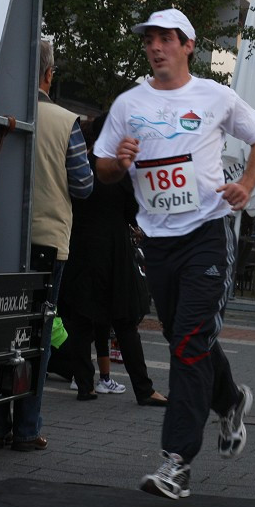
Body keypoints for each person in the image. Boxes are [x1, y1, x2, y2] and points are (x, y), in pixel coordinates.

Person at [94, 8, 255, 499]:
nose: (156, 47)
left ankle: (176, 462)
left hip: (207, 232)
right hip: (157, 240)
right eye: (150, 39)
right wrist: (119, 163)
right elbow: (103, 168)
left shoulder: (215, 96)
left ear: (188, 44)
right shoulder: (129, 103)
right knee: (183, 337)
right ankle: (232, 399)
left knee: (189, 343)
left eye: (166, 39)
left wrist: (246, 184)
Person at [0, 40, 94, 451]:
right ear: (49, 74)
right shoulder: (67, 122)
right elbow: (83, 186)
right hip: (47, 241)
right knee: (37, 334)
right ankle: (27, 429)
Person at [59, 114, 168, 405]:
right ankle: (144, 389)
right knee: (124, 323)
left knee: (81, 320)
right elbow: (133, 210)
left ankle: (86, 386)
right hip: (114, 251)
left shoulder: (81, 161)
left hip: (79, 245)